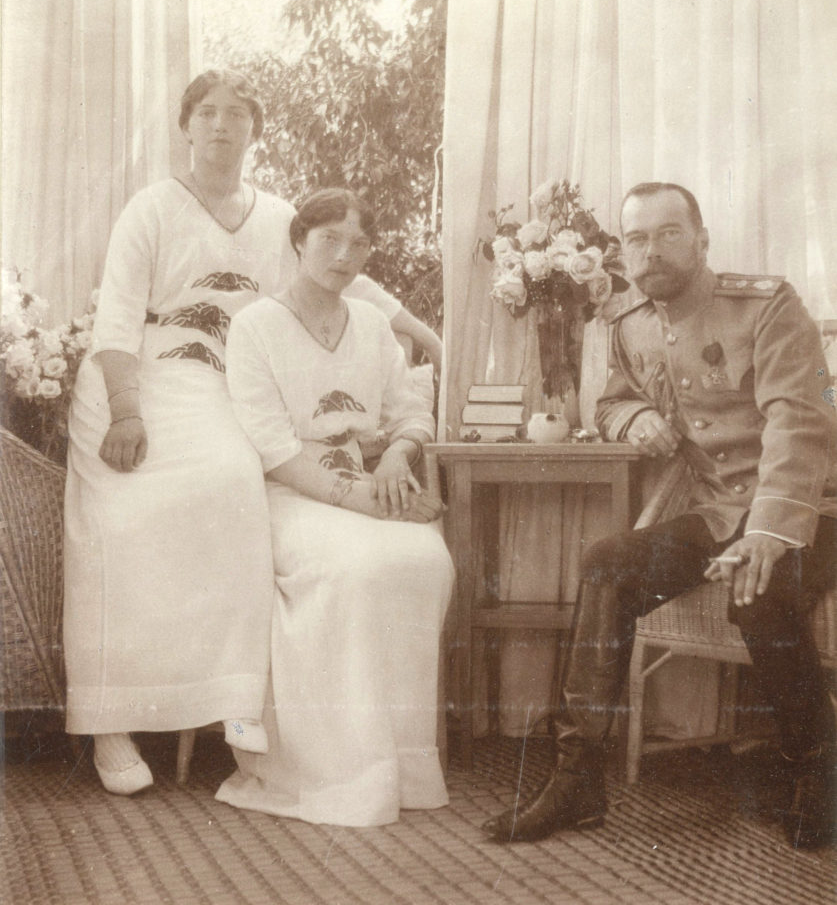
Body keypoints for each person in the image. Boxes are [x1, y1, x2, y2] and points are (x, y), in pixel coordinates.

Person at [63, 69, 443, 796]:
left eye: (237, 115)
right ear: (186, 124)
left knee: (236, 483)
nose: (221, 126)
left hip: (222, 382)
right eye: (207, 113)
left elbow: (343, 273)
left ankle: (235, 704)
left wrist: (419, 329)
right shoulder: (151, 208)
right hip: (141, 378)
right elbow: (116, 316)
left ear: (254, 131)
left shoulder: (275, 216)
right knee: (130, 510)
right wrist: (125, 410)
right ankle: (114, 719)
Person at [483, 181, 837, 850]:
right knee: (606, 565)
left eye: (668, 233)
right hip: (715, 509)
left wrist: (766, 529)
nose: (652, 252)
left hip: (812, 504)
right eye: (637, 239)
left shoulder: (765, 304)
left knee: (757, 595)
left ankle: (816, 767)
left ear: (700, 240)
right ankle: (577, 779)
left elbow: (802, 416)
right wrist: (636, 414)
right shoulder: (629, 325)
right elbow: (609, 403)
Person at [215, 188, 453, 827]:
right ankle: (336, 769)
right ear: (298, 241)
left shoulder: (374, 325)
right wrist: (360, 498)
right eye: (329, 240)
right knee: (357, 569)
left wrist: (399, 456)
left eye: (359, 244)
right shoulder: (255, 326)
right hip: (291, 496)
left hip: (373, 483)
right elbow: (272, 447)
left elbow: (409, 410)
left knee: (424, 561)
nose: (344, 256)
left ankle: (401, 765)